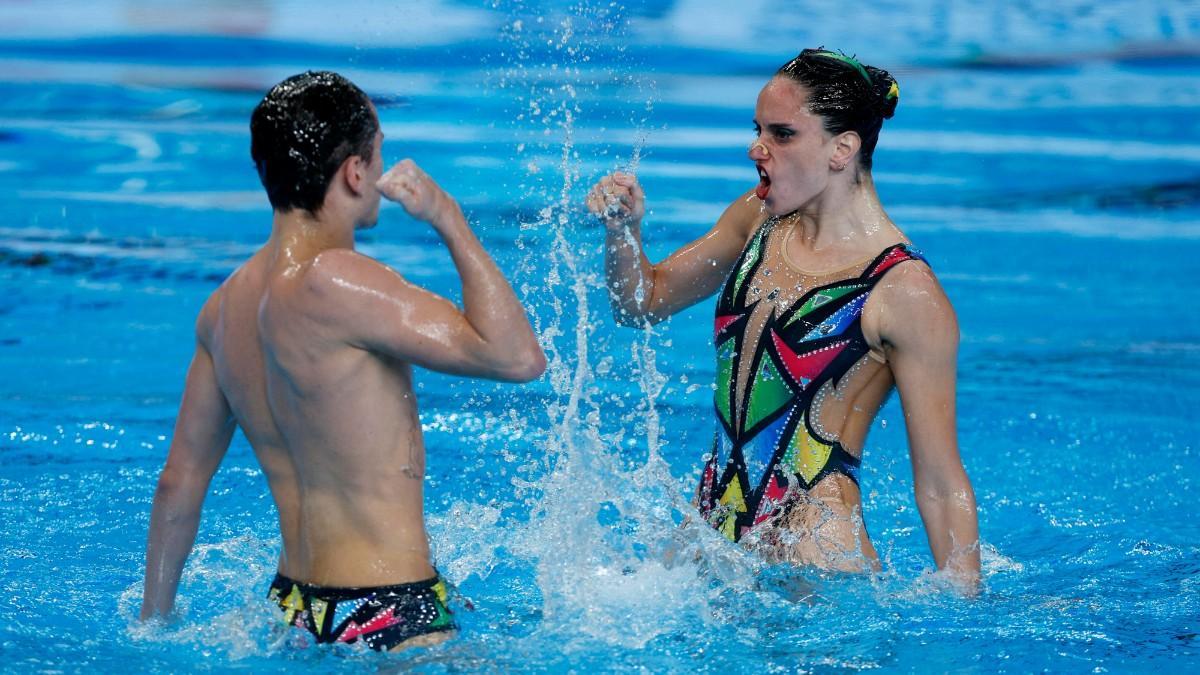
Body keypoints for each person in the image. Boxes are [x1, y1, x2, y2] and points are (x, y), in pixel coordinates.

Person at [139, 71, 546, 651]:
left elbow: (178, 484)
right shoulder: (342, 284)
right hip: (388, 607)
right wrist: (448, 217)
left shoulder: (222, 308)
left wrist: (150, 627)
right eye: (378, 155)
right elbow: (518, 357)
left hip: (293, 611)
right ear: (355, 172)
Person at [586, 49, 979, 588]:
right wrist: (623, 232)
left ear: (843, 149)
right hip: (712, 533)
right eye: (758, 130)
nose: (757, 148)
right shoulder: (758, 221)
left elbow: (939, 479)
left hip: (813, 558)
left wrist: (963, 605)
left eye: (782, 134)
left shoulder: (905, 291)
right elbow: (639, 304)